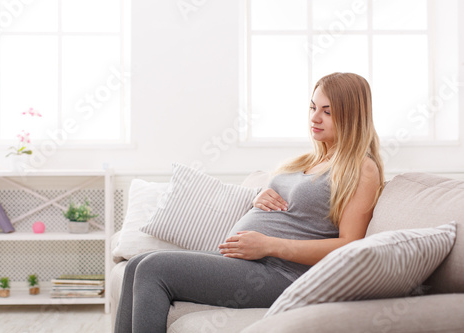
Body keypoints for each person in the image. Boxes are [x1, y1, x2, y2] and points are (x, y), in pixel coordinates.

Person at [114, 72, 385, 333]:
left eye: (327, 111)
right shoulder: (312, 160)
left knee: (153, 268)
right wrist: (258, 196)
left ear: (351, 115)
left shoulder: (362, 169)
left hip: (283, 274)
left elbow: (350, 245)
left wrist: (270, 245)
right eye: (313, 107)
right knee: (138, 264)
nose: (315, 117)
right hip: (250, 262)